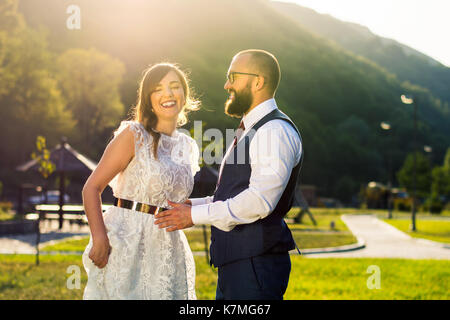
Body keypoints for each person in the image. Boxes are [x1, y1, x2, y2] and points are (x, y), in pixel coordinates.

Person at [155, 49, 303, 300]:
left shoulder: (273, 131)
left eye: (233, 76)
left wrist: (195, 215)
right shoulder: (251, 128)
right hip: (240, 264)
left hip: (255, 266)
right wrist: (195, 204)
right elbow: (236, 194)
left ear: (257, 81)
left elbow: (259, 201)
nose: (226, 84)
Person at [81, 63, 200, 299]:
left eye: (174, 86)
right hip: (126, 241)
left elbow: (179, 199)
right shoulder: (134, 135)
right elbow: (92, 188)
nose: (167, 94)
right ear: (148, 98)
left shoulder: (187, 146)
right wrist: (100, 237)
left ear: (184, 95)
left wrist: (195, 213)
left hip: (169, 247)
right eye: (158, 89)